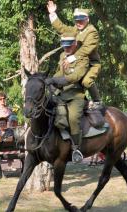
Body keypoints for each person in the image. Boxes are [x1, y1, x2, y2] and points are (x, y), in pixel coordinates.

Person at [47, 1, 102, 109]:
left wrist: (71, 58)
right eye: (77, 20)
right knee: (55, 79)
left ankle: (97, 101)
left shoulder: (92, 32)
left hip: (91, 64)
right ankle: (60, 97)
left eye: (81, 20)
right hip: (76, 62)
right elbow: (63, 29)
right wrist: (53, 14)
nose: (78, 23)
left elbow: (86, 50)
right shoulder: (76, 29)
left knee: (86, 81)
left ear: (87, 19)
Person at [45, 31, 89, 163]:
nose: (66, 48)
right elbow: (60, 72)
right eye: (64, 45)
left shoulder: (83, 57)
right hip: (61, 94)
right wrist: (50, 80)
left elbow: (76, 76)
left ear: (75, 44)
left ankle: (76, 149)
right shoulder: (63, 55)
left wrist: (58, 81)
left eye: (69, 45)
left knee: (73, 118)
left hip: (76, 94)